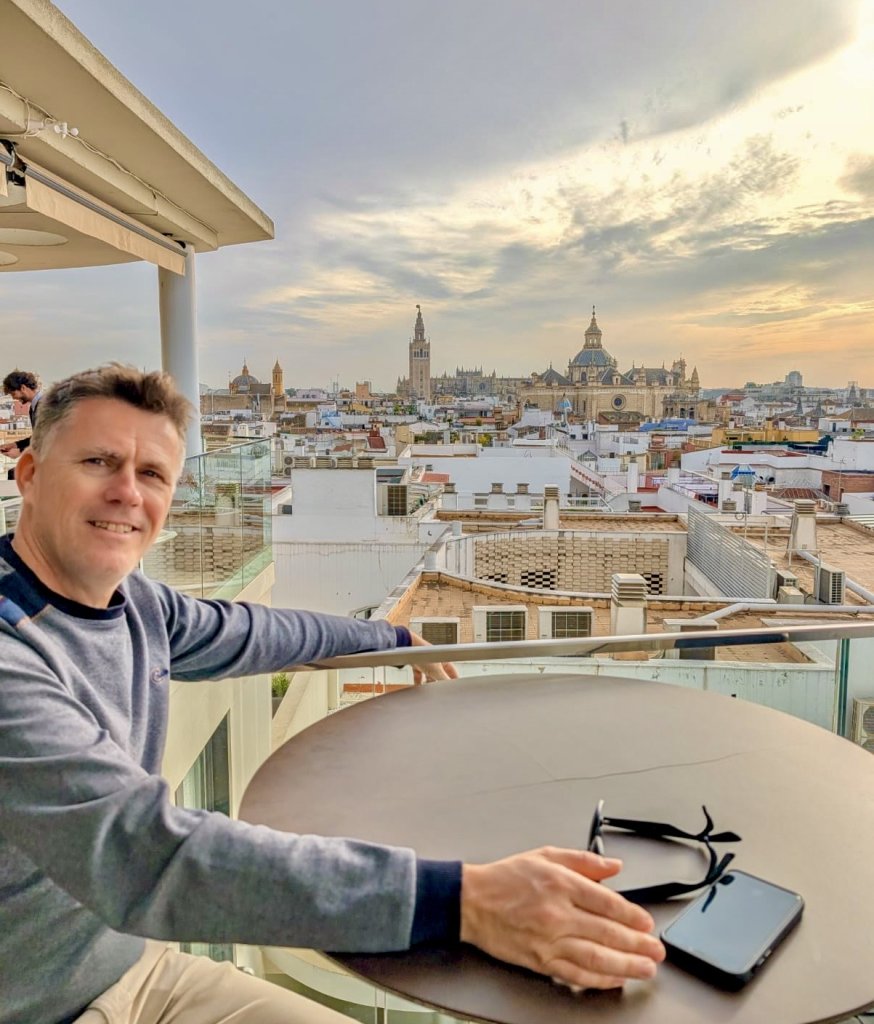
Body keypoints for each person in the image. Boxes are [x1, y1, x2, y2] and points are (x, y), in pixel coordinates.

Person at [0, 364, 664, 1024]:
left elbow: (251, 631)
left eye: (152, 474)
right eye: (98, 462)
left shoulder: (136, 604)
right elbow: (142, 858)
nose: (126, 492)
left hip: (136, 969)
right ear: (29, 474)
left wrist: (387, 638)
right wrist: (467, 902)